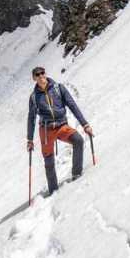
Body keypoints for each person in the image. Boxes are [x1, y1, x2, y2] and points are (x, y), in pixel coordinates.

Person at [27, 66, 93, 195]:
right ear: (34, 78)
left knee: (78, 140)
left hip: (62, 126)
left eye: (42, 73)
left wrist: (85, 124)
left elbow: (72, 105)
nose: (41, 76)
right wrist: (29, 139)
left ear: (45, 74)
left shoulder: (58, 88)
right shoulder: (34, 97)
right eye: (37, 75)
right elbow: (31, 118)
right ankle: (53, 190)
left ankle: (77, 174)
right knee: (49, 160)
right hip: (46, 130)